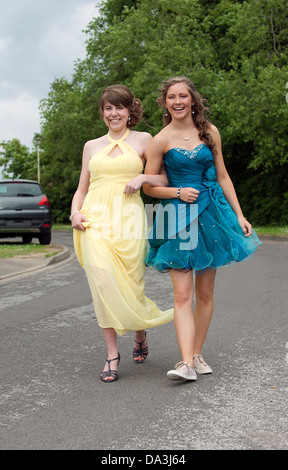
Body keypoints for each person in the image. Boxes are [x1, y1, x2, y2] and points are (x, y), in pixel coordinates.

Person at [143, 76, 261, 382]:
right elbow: (150, 186)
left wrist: (240, 215)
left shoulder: (210, 132)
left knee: (205, 292)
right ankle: (185, 364)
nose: (178, 101)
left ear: (193, 100)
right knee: (183, 295)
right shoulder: (161, 139)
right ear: (165, 102)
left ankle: (195, 354)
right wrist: (177, 193)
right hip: (176, 216)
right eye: (172, 97)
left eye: (183, 96)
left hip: (211, 213)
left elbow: (222, 176)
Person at [70, 84, 173, 383]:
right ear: (102, 112)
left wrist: (141, 176)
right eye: (108, 108)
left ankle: (139, 330)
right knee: (102, 282)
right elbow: (81, 189)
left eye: (119, 107)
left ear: (130, 111)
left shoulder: (144, 139)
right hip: (94, 220)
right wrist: (75, 212)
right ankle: (112, 354)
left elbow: (164, 177)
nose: (113, 113)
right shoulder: (91, 146)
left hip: (129, 220)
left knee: (131, 283)